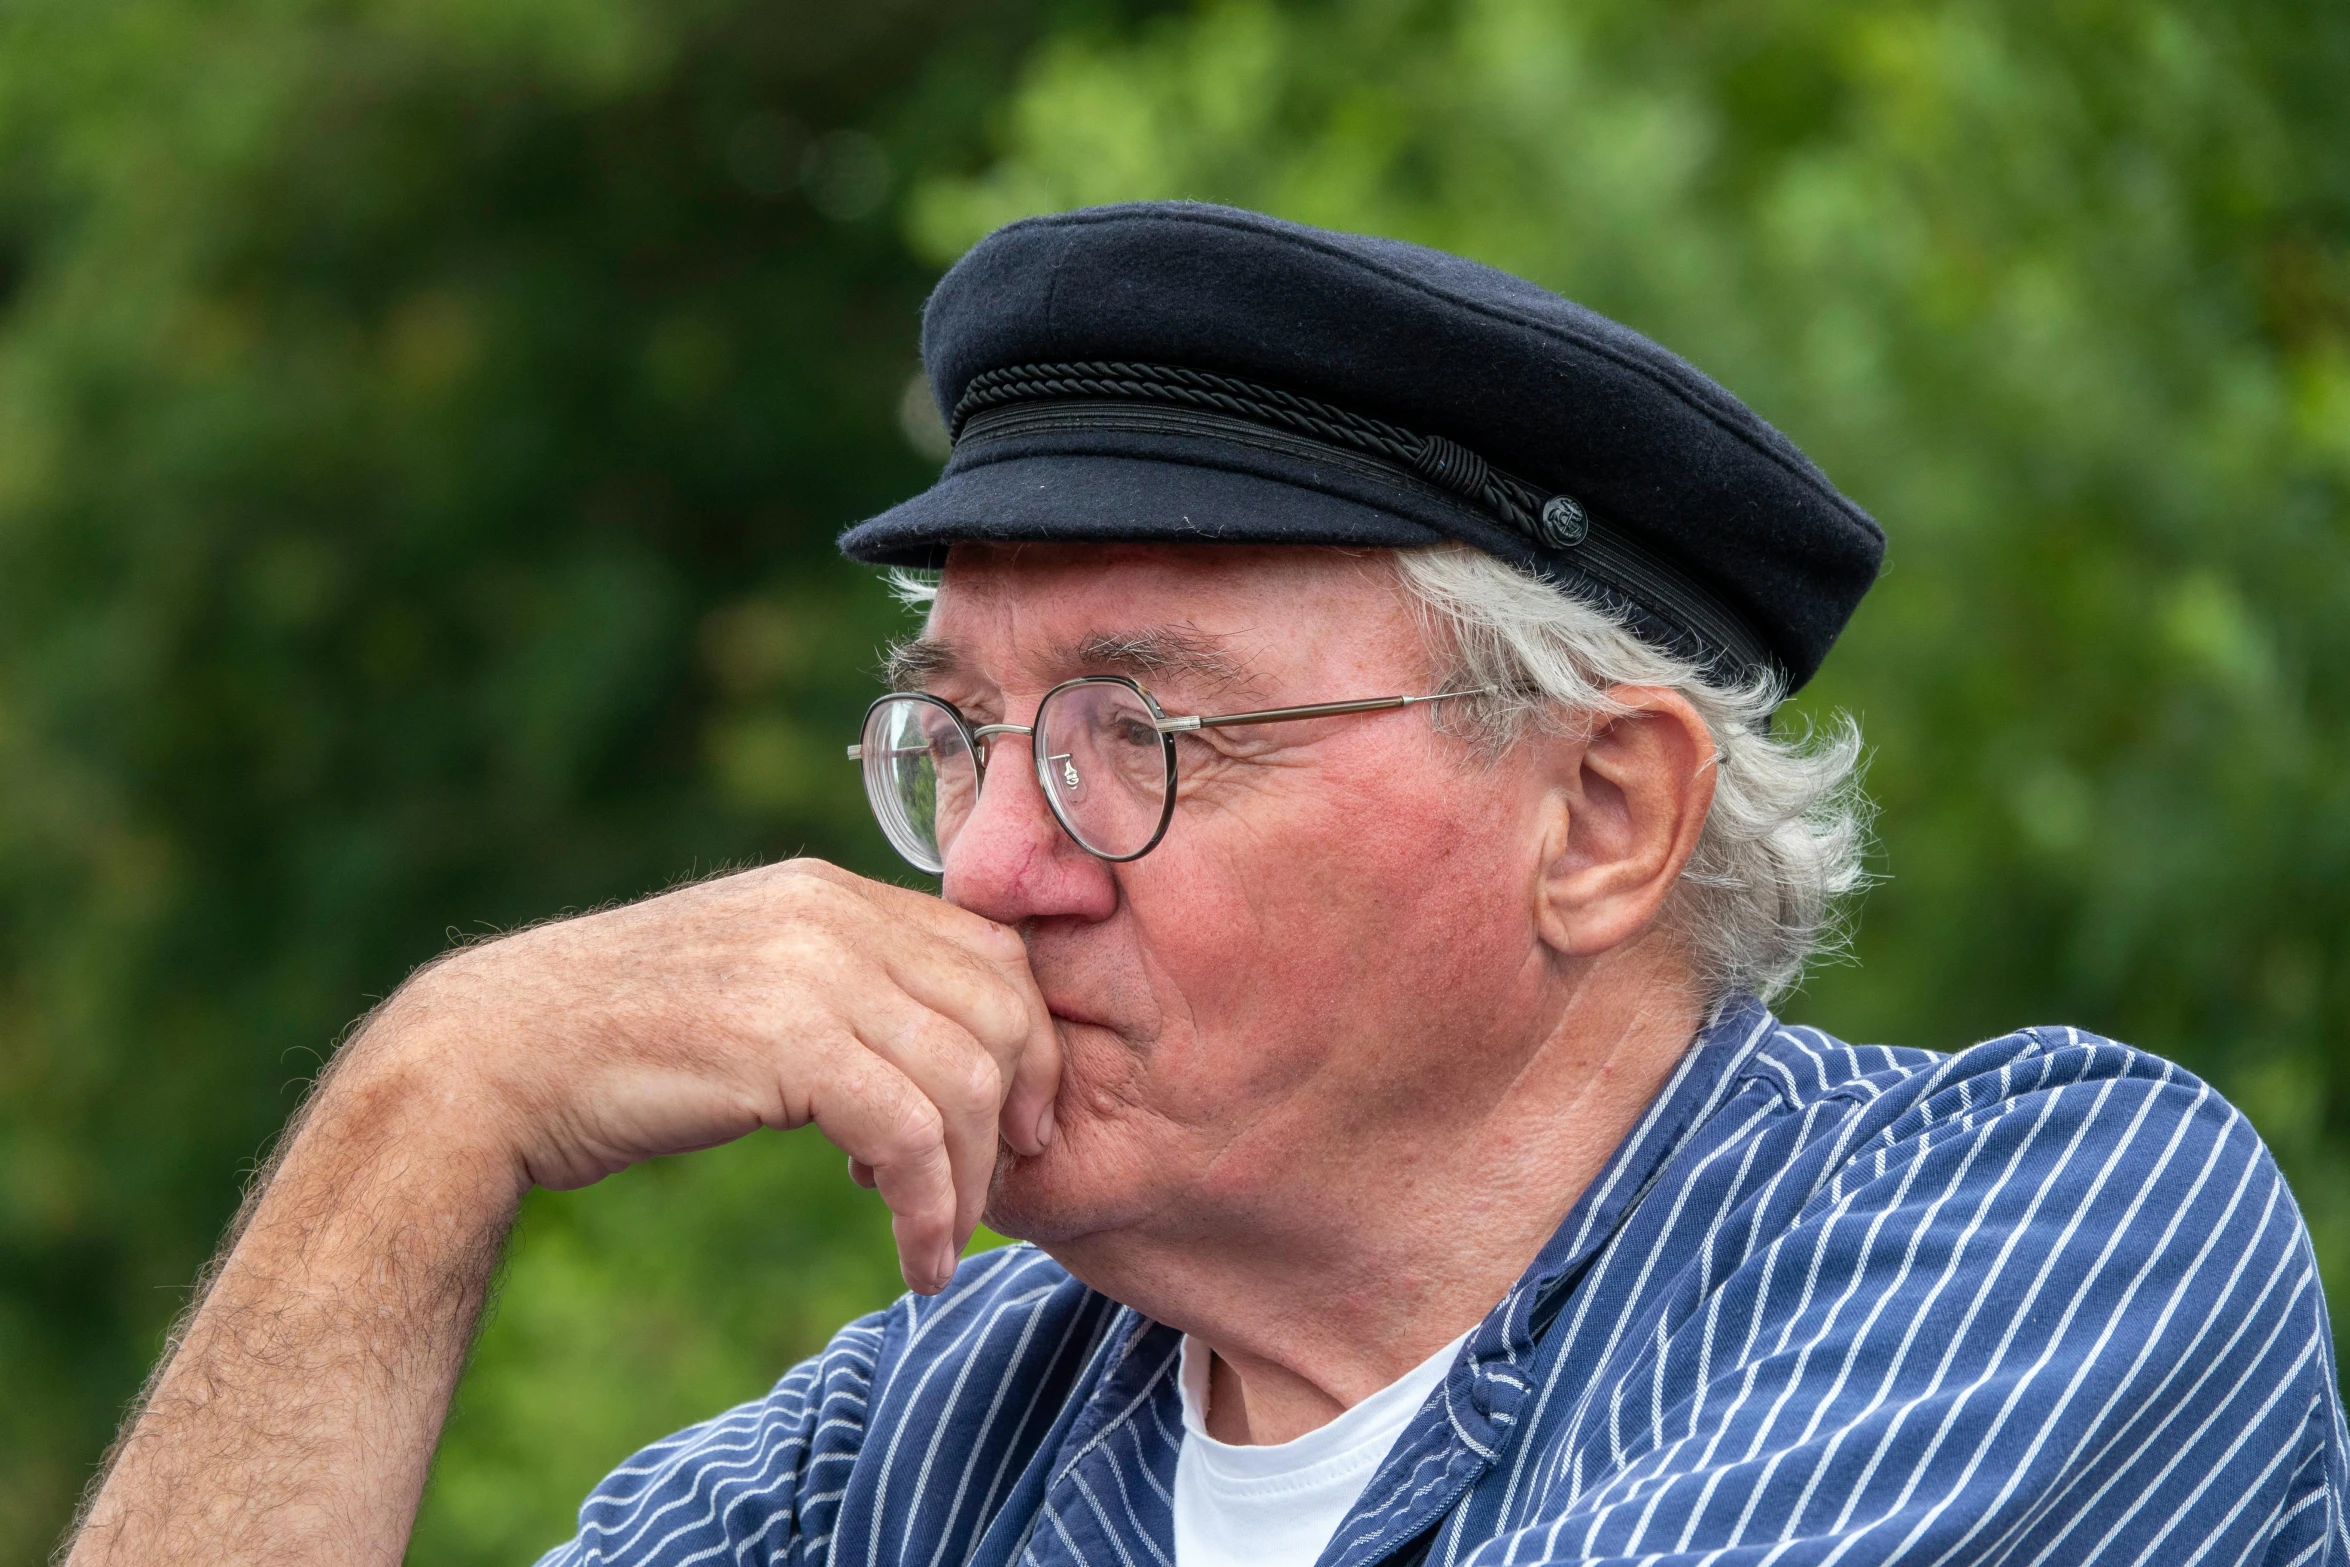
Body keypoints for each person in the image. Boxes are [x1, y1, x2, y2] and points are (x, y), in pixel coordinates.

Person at [65, 202, 2345, 1567]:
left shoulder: (2039, 1237)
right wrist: (425, 1109)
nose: (985, 864)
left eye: (1134, 736)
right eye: (952, 736)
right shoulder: (931, 1435)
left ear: (1598, 821)